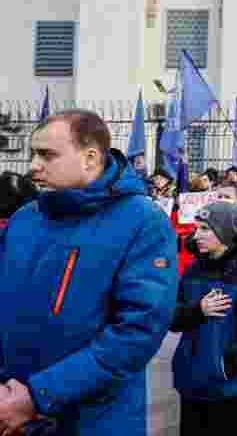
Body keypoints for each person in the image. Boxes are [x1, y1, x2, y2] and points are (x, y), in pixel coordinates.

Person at [0, 109, 179, 435]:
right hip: (14, 416)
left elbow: (137, 333)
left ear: (90, 158)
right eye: (33, 154)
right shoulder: (24, 219)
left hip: (94, 422)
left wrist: (38, 395)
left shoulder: (144, 222)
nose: (33, 167)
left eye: (47, 155)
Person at [170, 201, 237, 436]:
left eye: (205, 229)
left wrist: (227, 366)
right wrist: (197, 310)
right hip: (191, 378)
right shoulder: (194, 269)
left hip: (226, 384)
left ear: (225, 232)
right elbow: (172, 318)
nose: (197, 235)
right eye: (197, 228)